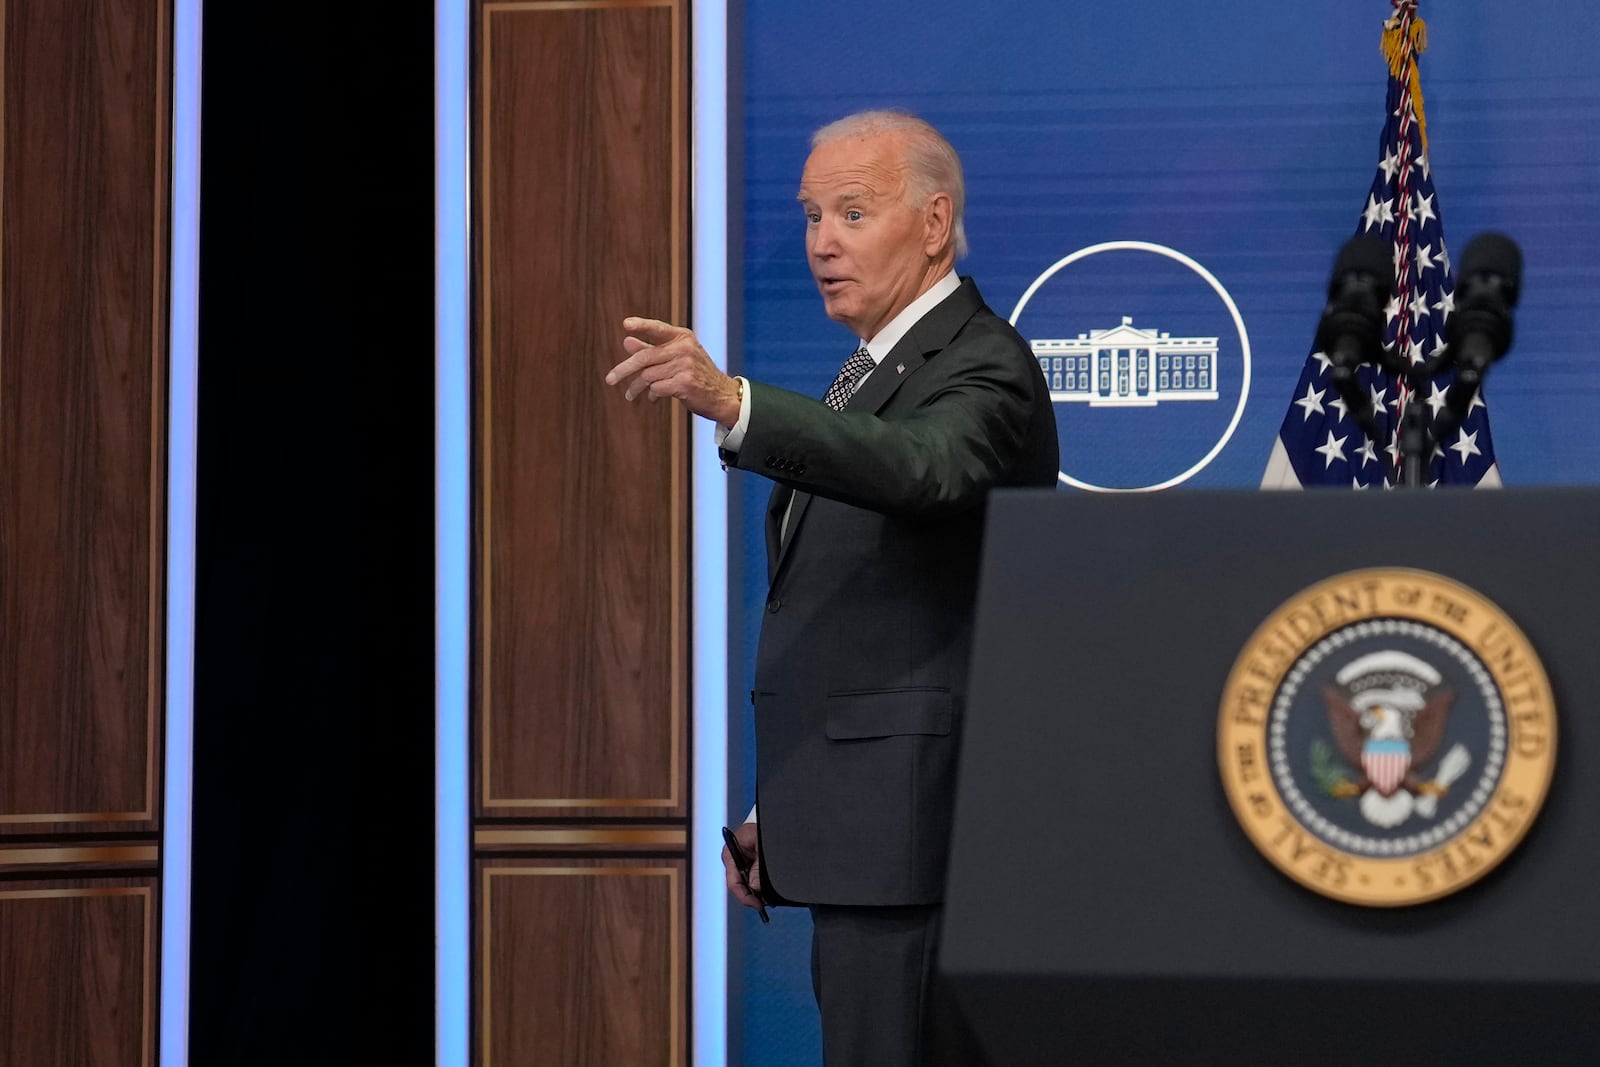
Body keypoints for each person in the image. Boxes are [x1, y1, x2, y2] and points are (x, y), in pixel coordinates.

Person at [605, 109, 1059, 1065]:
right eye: (812, 215)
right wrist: (790, 805)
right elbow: (863, 617)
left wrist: (735, 402)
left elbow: (926, 469)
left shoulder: (983, 361)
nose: (821, 242)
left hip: (924, 842)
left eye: (853, 212)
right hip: (863, 832)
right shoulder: (872, 368)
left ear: (934, 225)